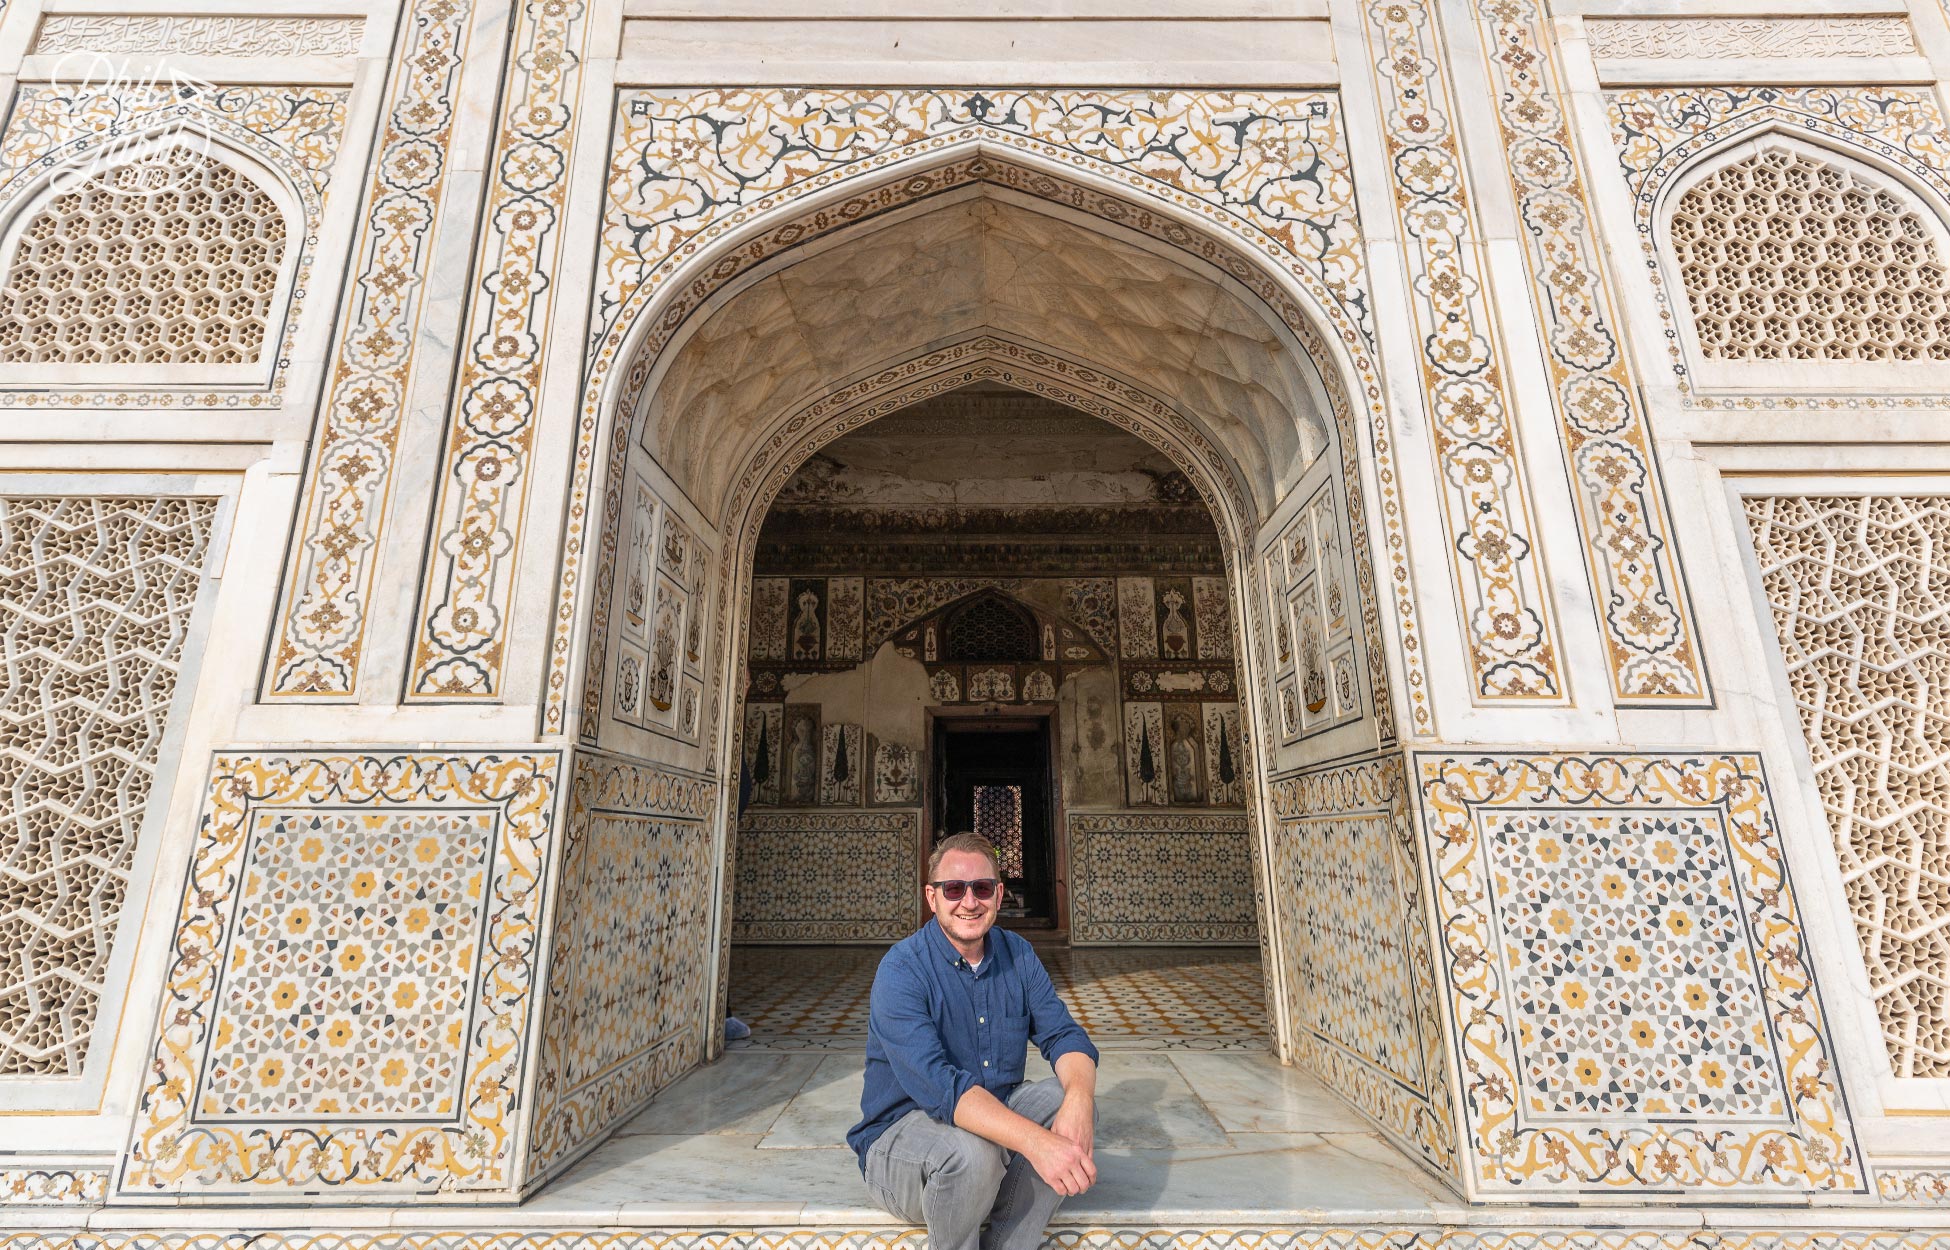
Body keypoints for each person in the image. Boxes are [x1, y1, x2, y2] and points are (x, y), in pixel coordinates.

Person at [847, 832, 1100, 1250]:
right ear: (933, 898)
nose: (969, 901)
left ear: (999, 895)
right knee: (971, 1155)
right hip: (902, 1142)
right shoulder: (902, 969)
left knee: (1068, 1099)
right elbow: (942, 1088)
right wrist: (1038, 1143)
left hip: (988, 1127)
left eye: (981, 888)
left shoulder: (1016, 953)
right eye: (954, 889)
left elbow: (1064, 1035)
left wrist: (1080, 1102)